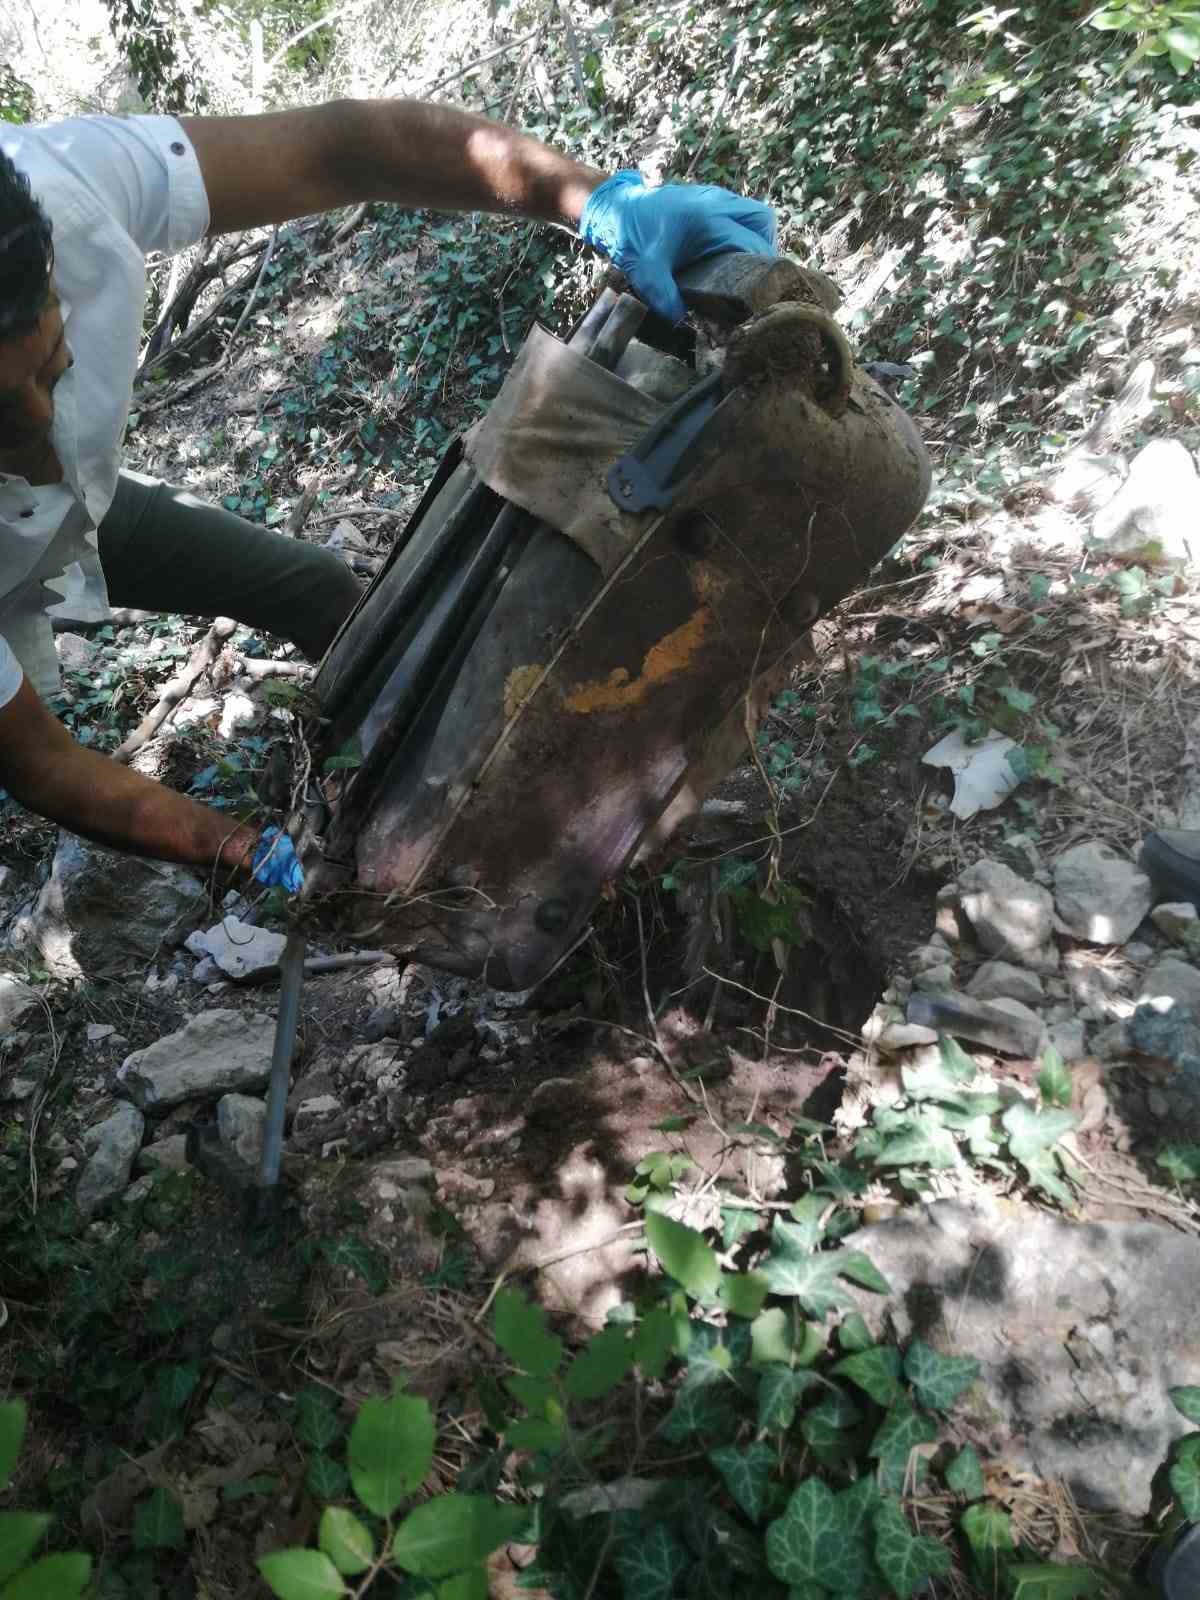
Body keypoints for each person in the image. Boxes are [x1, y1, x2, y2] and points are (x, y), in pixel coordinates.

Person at [0, 99, 776, 892]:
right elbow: (43, 763)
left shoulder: (56, 184)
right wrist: (241, 848)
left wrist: (595, 199)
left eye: (51, 364)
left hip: (83, 515)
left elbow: (348, 148)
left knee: (320, 591)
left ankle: (430, 789)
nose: (39, 431)